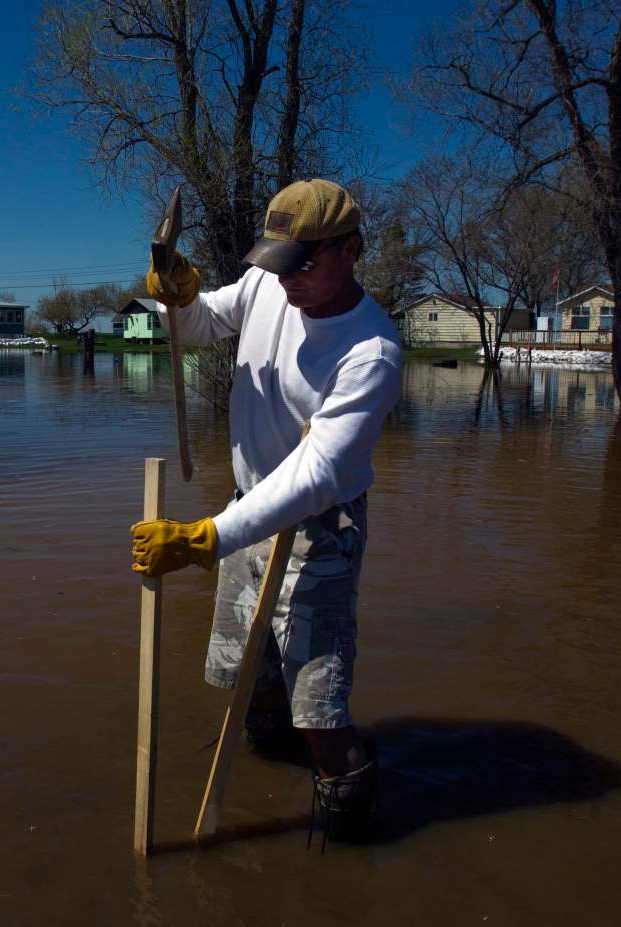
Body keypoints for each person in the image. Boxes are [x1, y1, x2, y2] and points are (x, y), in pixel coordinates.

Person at [130, 178, 402, 844]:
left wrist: (204, 538)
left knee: (319, 709)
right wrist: (180, 293)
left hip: (320, 531)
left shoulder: (371, 351)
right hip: (247, 510)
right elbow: (196, 325)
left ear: (351, 249)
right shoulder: (264, 288)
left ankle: (349, 829)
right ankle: (267, 787)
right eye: (279, 263)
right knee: (246, 681)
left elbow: (319, 475)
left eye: (303, 263)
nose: (287, 281)